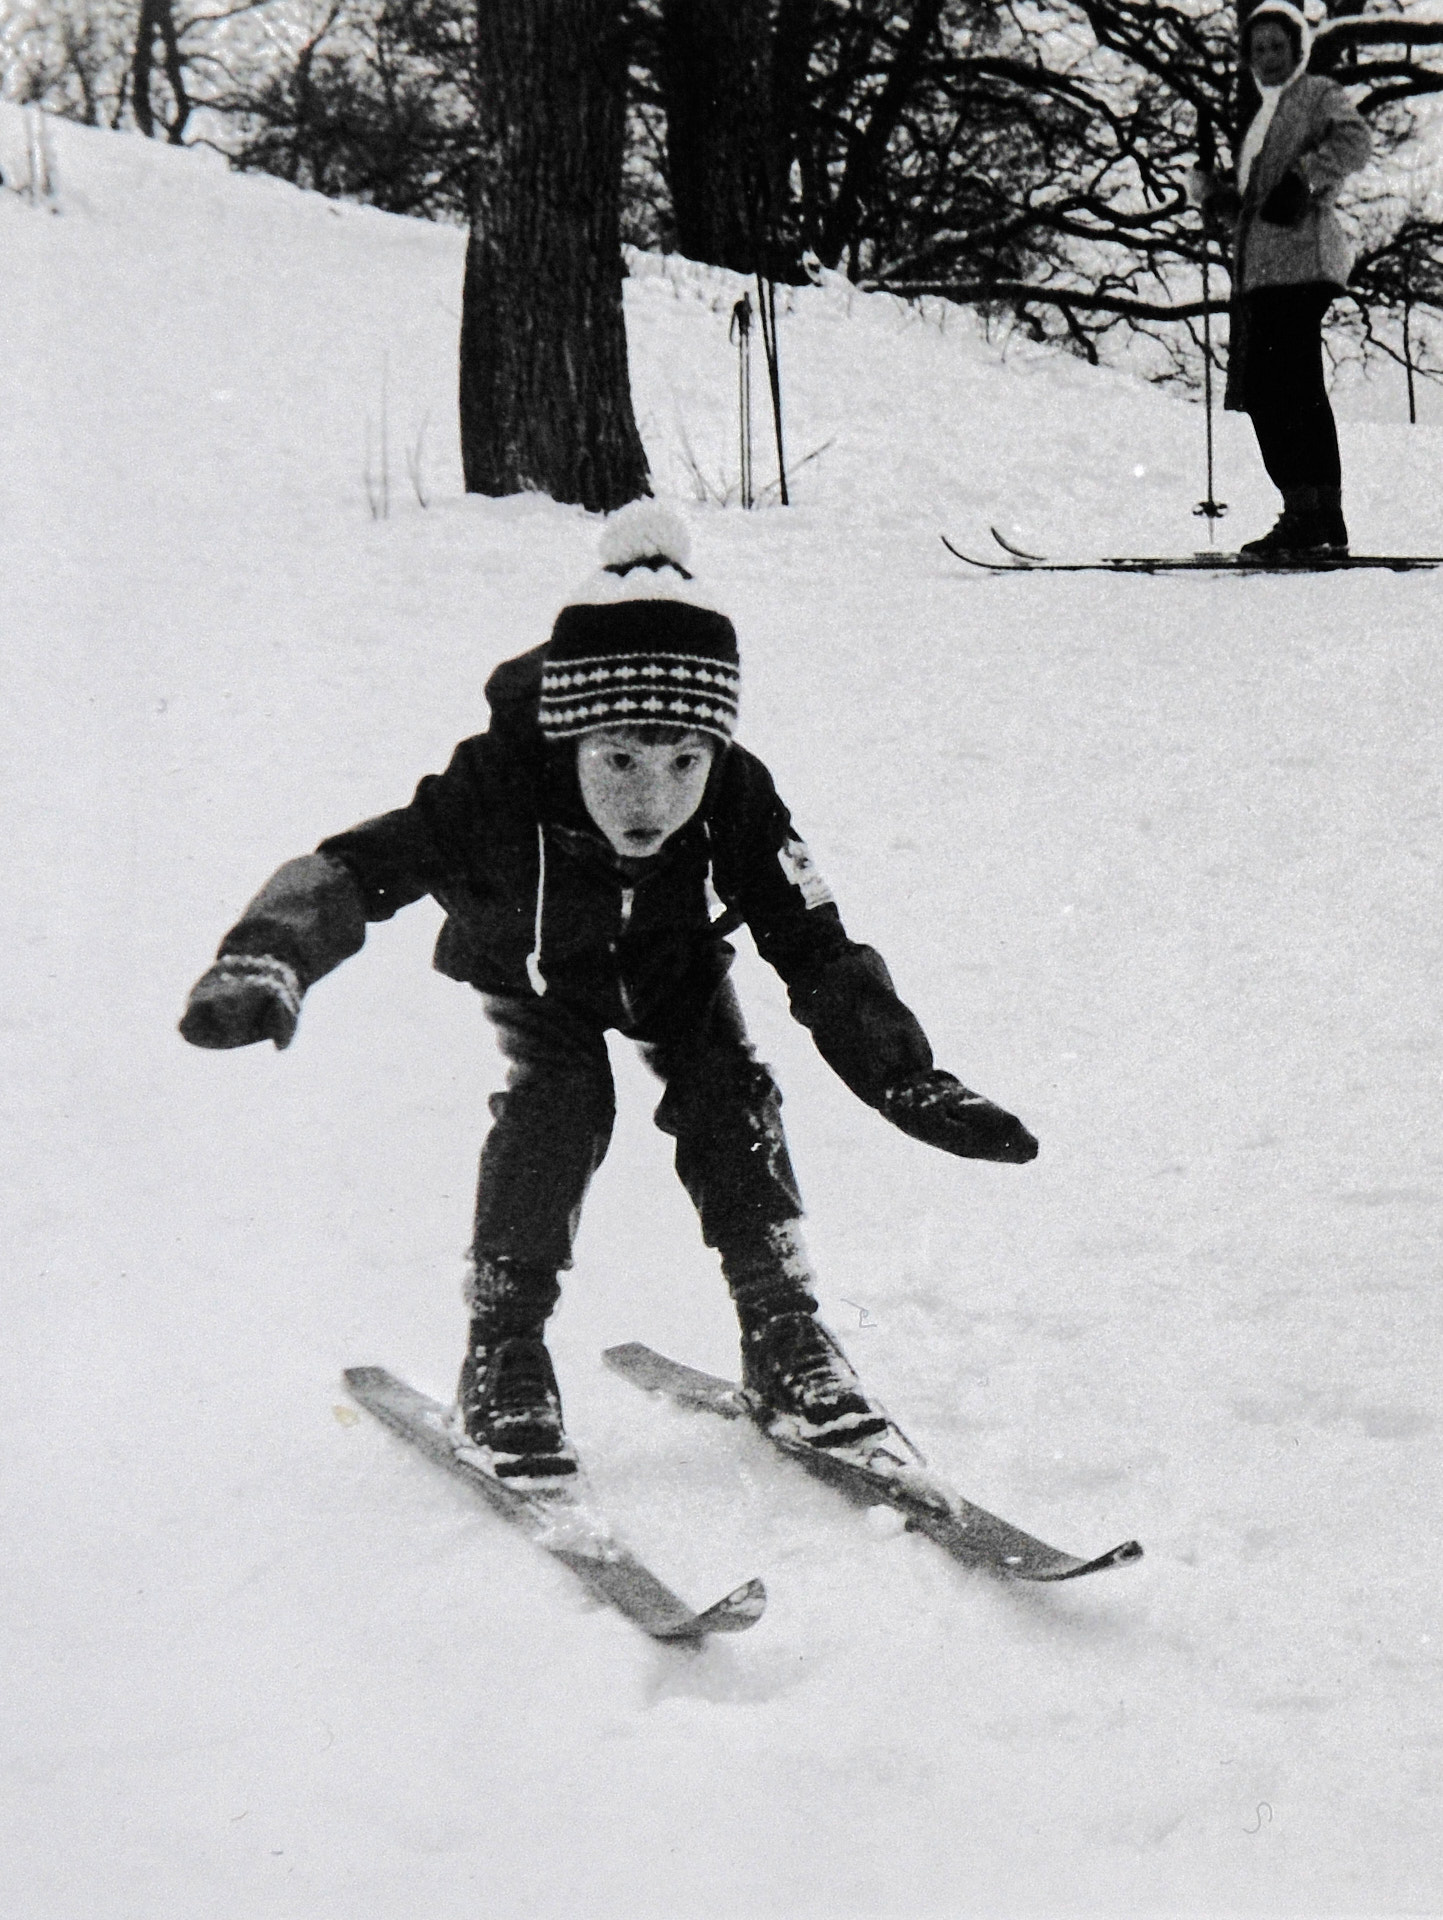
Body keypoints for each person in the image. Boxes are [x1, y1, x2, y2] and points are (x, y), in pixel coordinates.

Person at [178, 503, 1038, 1482]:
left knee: (728, 1092)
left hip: (672, 971)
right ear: (573, 739)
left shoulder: (736, 791)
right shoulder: (495, 781)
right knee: (560, 1106)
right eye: (620, 762)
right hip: (536, 973)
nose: (652, 798)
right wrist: (268, 956)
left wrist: (902, 1078)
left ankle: (784, 1334)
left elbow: (813, 939)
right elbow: (355, 867)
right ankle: (502, 1351)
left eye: (683, 764)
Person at [1188, 1, 1370, 558]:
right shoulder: (1265, 115)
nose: (1266, 57)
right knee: (1278, 389)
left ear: (1297, 51)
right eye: (1257, 49)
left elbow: (1354, 140)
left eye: (1276, 46)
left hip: (1301, 262)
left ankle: (1305, 515)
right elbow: (1256, 205)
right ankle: (1318, 517)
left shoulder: (1315, 93)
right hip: (1263, 271)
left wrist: (1304, 179)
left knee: (1281, 388)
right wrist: (1219, 198)